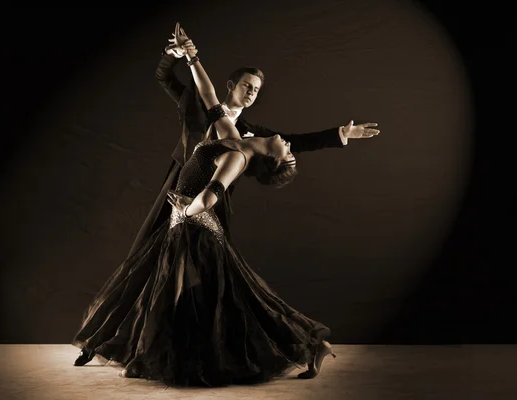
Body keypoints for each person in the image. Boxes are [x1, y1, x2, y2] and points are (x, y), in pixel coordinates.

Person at [72, 22, 379, 370]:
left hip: (202, 207)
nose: (252, 93)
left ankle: (213, 349)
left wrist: (341, 134)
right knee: (145, 266)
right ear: (232, 85)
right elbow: (193, 89)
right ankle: (104, 342)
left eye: (257, 90)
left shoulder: (248, 141)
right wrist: (188, 55)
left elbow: (293, 143)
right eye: (248, 86)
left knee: (211, 285)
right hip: (174, 193)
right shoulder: (221, 122)